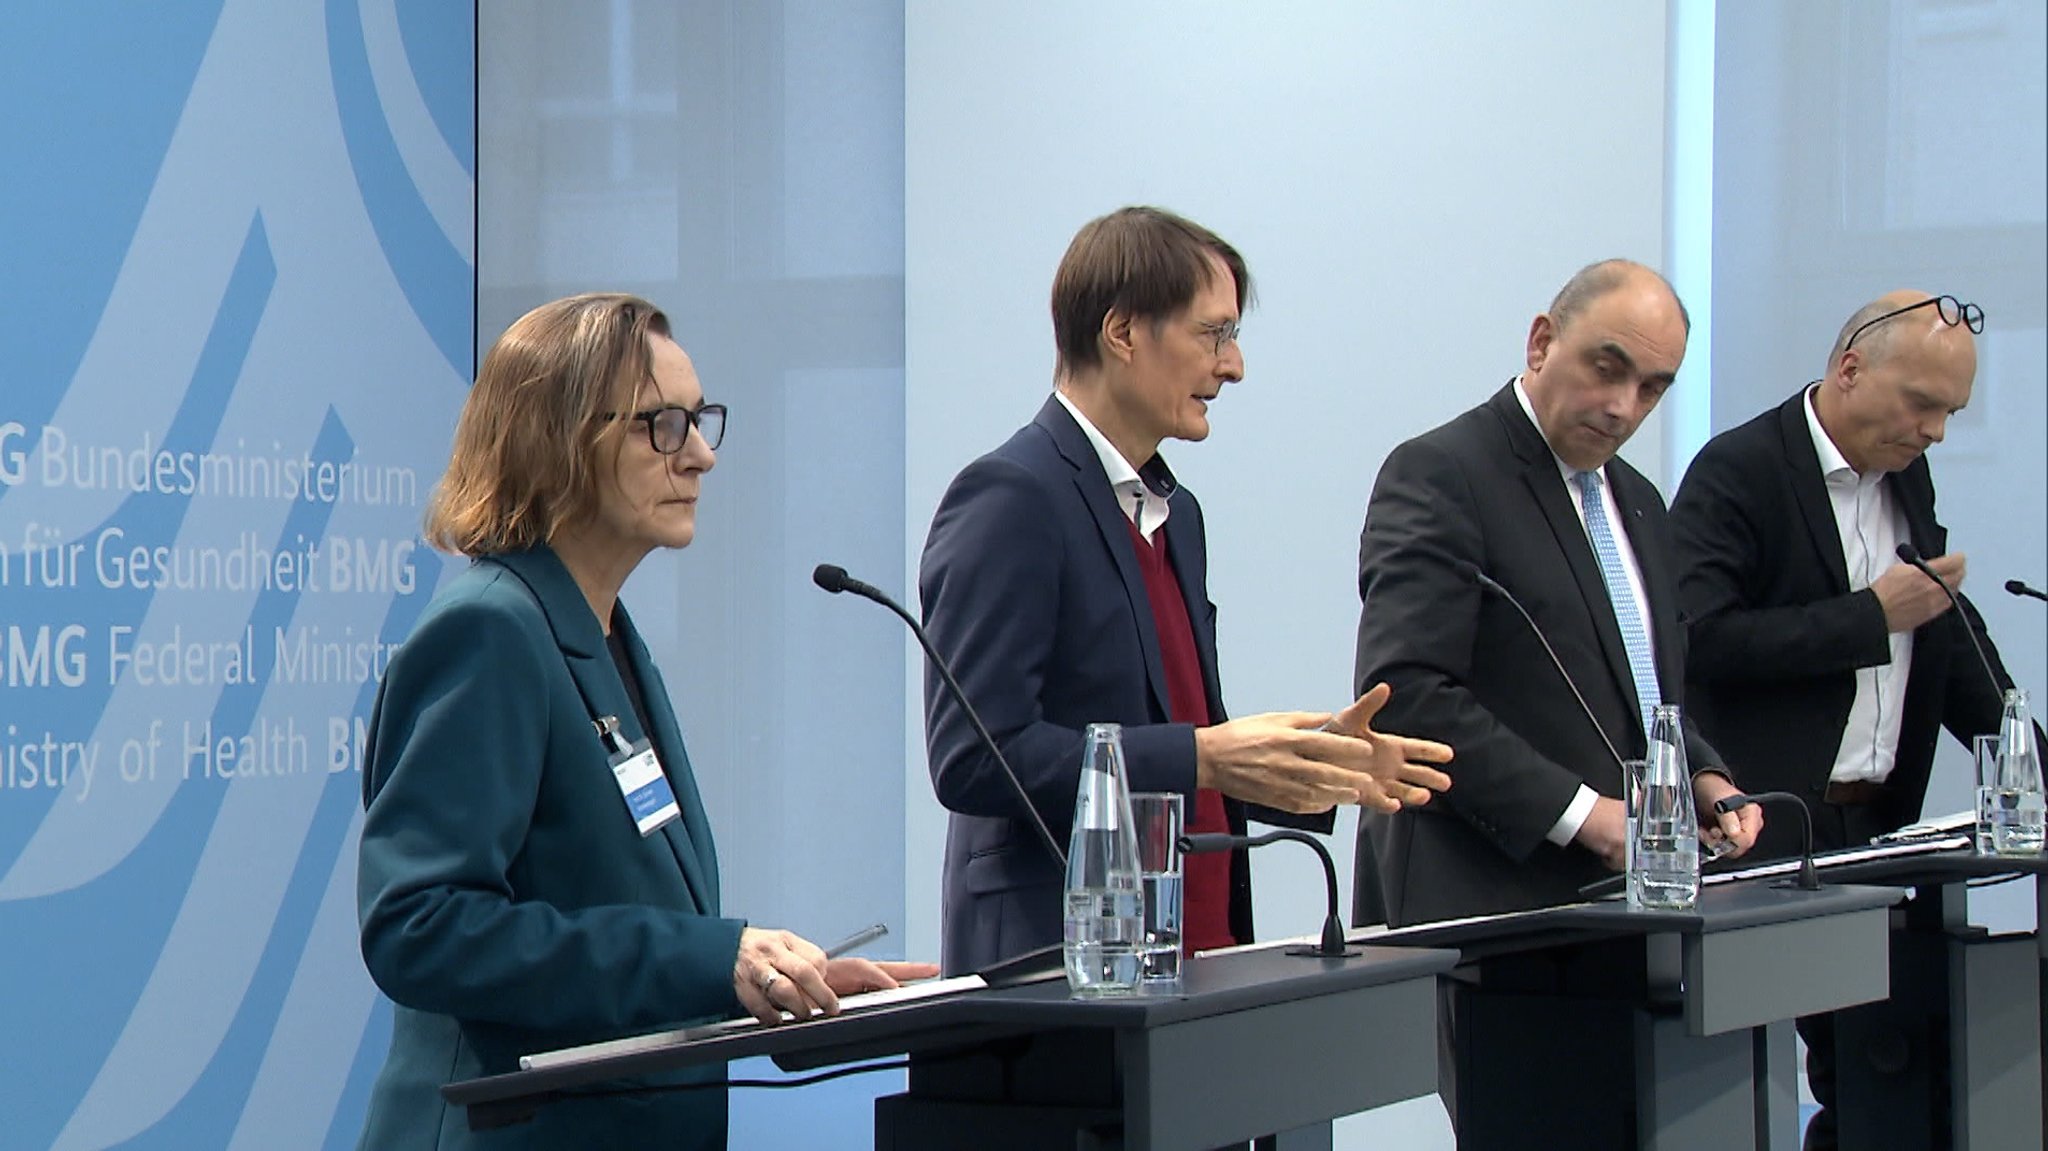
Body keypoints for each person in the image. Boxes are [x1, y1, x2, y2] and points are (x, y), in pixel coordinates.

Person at [354, 293, 934, 1151]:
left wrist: (759, 978)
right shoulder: (489, 631)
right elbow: (421, 927)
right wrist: (707, 956)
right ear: (558, 438)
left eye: (700, 421)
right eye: (662, 426)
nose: (699, 455)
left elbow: (612, 894)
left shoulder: (601, 632)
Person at [919, 206, 1454, 977]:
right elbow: (975, 755)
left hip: (1193, 958)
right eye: (1214, 335)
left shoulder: (1178, 514)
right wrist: (1205, 754)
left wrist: (1304, 763)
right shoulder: (1011, 496)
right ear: (1124, 332)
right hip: (1053, 978)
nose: (1233, 367)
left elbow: (1172, 735)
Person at [1669, 290, 2025, 1151]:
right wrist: (1870, 617)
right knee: (1756, 1072)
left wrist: (2025, 758)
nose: (1936, 430)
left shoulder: (1906, 470)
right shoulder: (1741, 467)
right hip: (1770, 823)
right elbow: (1696, 638)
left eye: (1952, 412)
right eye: (1924, 405)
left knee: (1880, 1076)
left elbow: (1937, 616)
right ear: (1850, 369)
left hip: (1877, 820)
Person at [1352, 259, 1761, 931]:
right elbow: (1408, 695)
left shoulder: (1638, 502)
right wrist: (1582, 816)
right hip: (1480, 902)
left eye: (1652, 388)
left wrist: (1705, 777)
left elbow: (1643, 691)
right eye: (1608, 368)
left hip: (1618, 908)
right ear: (1541, 342)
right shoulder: (1443, 472)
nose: (1624, 406)